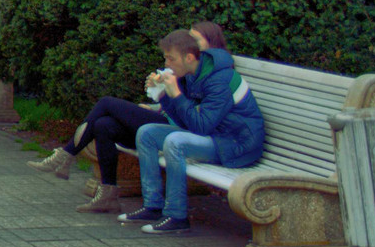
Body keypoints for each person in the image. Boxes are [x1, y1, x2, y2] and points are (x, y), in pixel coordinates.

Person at [28, 21, 228, 213]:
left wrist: (164, 94)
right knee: (103, 125)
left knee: (106, 103)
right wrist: (157, 99)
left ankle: (66, 155)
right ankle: (107, 195)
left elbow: (193, 113)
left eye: (195, 39)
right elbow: (178, 104)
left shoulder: (208, 73)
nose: (189, 42)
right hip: (168, 121)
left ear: (211, 44)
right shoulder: (189, 69)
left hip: (178, 131)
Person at [118, 28, 266, 235]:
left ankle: (177, 216)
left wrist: (176, 94)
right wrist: (163, 95)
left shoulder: (220, 79)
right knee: (147, 133)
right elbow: (185, 122)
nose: (167, 65)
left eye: (171, 59)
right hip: (215, 136)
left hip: (236, 145)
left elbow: (200, 126)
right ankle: (152, 206)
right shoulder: (192, 74)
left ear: (188, 57)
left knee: (175, 142)